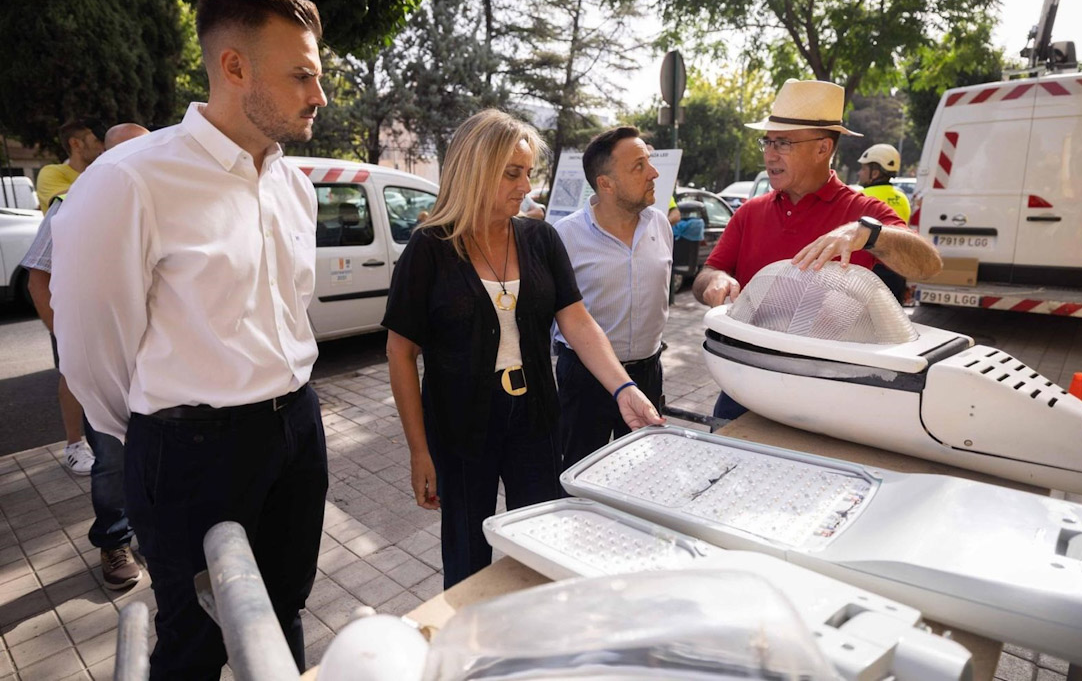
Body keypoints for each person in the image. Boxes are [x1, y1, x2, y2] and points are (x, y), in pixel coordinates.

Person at [50, 0, 328, 678]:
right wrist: (159, 429)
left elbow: (295, 308)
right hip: (189, 450)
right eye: (301, 75)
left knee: (286, 608)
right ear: (234, 68)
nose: (318, 95)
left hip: (296, 427)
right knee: (198, 638)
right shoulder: (129, 181)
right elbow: (91, 348)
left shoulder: (293, 184)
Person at [384, 109, 664, 588]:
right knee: (468, 550)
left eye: (528, 172)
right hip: (459, 425)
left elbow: (576, 319)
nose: (525, 185)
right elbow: (400, 353)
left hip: (535, 415)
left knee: (539, 541)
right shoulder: (429, 248)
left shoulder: (540, 238)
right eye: (512, 173)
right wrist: (418, 450)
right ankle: (471, 642)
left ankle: (534, 630)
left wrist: (623, 388)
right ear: (475, 170)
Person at [693, 79, 941, 419]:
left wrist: (867, 234)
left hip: (829, 392)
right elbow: (706, 273)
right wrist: (715, 281)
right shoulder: (750, 212)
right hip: (745, 382)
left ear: (823, 148)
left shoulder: (861, 212)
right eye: (767, 141)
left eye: (783, 143)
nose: (769, 153)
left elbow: (928, 265)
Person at [21, 123, 149, 589]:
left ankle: (151, 533)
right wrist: (72, 342)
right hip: (105, 362)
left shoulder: (159, 199)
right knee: (111, 457)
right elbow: (39, 278)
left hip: (157, 363)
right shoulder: (71, 203)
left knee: (154, 452)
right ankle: (114, 540)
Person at [553, 126, 673, 467]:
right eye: (638, 166)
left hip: (648, 373)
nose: (653, 173)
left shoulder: (660, 225)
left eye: (648, 162)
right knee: (579, 473)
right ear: (605, 183)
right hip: (584, 380)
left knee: (642, 474)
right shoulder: (565, 236)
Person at [28, 120, 106, 474]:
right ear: (76, 143)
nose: (100, 146)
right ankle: (74, 444)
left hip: (100, 285)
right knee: (72, 371)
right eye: (94, 140)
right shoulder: (52, 176)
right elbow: (73, 202)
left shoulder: (107, 172)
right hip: (66, 290)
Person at [857, 143, 911, 303]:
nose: (860, 173)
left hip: (869, 271)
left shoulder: (861, 197)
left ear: (875, 172)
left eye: (863, 169)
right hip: (897, 270)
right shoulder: (902, 197)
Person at [34, 119, 105, 213]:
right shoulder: (52, 172)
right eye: (98, 141)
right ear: (76, 144)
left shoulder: (104, 173)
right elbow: (68, 203)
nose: (104, 146)